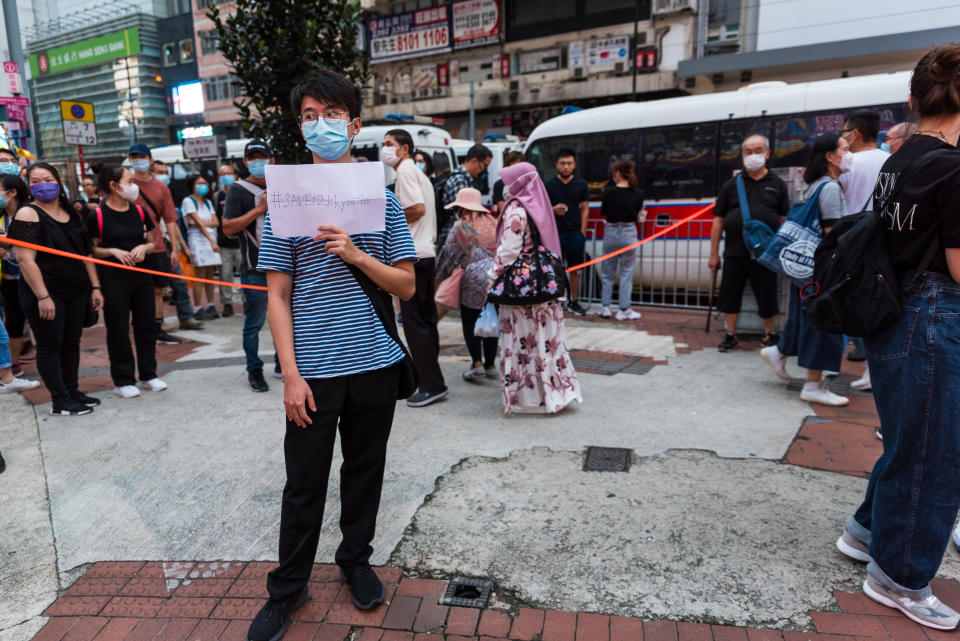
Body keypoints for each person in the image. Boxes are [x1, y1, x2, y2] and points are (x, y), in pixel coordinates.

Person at [247, 70, 417, 641]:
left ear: (355, 124)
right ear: (301, 129)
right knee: (304, 484)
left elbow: (407, 287)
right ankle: (287, 589)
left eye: (331, 114)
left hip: (374, 362)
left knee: (365, 471)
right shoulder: (284, 205)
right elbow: (277, 295)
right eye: (310, 117)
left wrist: (356, 255)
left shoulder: (384, 200)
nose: (321, 125)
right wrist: (290, 376)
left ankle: (354, 560)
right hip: (313, 374)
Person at [835, 45, 960, 631]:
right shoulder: (955, 167)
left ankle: (865, 532)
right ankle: (900, 577)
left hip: (893, 313)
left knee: (909, 438)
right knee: (935, 453)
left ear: (915, 100)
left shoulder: (899, 161)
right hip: (936, 315)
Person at [759, 133, 850, 407]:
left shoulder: (813, 185)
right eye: (845, 149)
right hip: (821, 269)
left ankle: (780, 351)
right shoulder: (830, 188)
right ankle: (813, 384)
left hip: (805, 267)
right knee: (825, 322)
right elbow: (832, 232)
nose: (849, 154)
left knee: (806, 318)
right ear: (830, 157)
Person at [6, 162, 104, 416]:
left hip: (76, 289)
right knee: (51, 345)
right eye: (34, 181)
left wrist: (95, 286)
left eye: (46, 179)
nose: (41, 185)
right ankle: (59, 400)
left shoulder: (69, 211)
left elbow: (86, 254)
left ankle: (72, 391)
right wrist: (43, 296)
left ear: (58, 182)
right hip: (46, 293)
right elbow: (26, 260)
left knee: (71, 342)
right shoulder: (28, 214)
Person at [489, 162, 582, 414]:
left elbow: (509, 251)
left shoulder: (516, 210)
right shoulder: (539, 205)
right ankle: (553, 392)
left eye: (509, 182)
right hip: (544, 288)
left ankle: (529, 396)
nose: (505, 187)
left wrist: (492, 275)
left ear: (518, 183)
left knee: (523, 342)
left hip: (521, 292)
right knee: (546, 340)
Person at [87, 164, 167, 398]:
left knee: (146, 326)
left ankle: (149, 374)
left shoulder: (139, 211)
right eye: (129, 181)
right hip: (114, 280)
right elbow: (91, 251)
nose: (133, 186)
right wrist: (113, 251)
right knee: (119, 329)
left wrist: (143, 247)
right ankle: (122, 379)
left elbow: (152, 242)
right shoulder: (97, 215)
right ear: (113, 185)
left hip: (141, 277)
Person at [382, 129, 446, 407]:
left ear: (404, 149)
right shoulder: (418, 173)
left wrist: (386, 217)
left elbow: (416, 209)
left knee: (414, 324)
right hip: (426, 253)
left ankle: (431, 384)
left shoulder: (406, 171)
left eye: (389, 144)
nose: (384, 149)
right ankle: (431, 378)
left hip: (414, 254)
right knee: (426, 321)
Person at [708, 135, 790, 350]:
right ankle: (731, 334)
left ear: (768, 153)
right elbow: (718, 221)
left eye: (758, 150)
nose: (753, 155)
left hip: (766, 253)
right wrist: (714, 254)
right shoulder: (731, 185)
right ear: (742, 155)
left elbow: (783, 219)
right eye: (748, 151)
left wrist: (781, 249)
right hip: (735, 252)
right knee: (730, 294)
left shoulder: (777, 184)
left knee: (767, 295)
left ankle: (769, 334)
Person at [128, 143, 202, 340]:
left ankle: (160, 325)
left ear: (149, 159)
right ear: (129, 160)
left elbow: (170, 219)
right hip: (130, 247)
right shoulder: (127, 185)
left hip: (158, 245)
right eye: (134, 157)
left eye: (142, 157)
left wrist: (175, 249)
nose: (138, 161)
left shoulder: (161, 187)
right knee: (137, 290)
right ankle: (145, 324)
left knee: (160, 288)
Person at [221, 140, 277, 392]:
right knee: (254, 323)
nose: (258, 162)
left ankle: (283, 365)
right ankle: (254, 370)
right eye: (252, 157)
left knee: (287, 320)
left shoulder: (284, 185)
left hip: (285, 268)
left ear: (272, 160)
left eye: (263, 157)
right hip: (254, 270)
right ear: (245, 162)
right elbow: (228, 227)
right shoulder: (238, 190)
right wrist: (259, 210)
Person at [839, 111, 890, 376]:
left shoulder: (846, 162)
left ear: (855, 133)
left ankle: (862, 361)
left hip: (850, 242)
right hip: (882, 242)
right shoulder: (891, 161)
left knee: (848, 302)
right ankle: (875, 364)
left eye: (846, 131)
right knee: (876, 302)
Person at [437, 187, 499, 381]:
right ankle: (490, 365)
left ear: (462, 208)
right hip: (495, 279)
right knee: (491, 320)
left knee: (470, 321)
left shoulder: (460, 227)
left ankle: (477, 363)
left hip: (472, 279)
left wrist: (440, 275)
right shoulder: (495, 224)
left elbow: (448, 255)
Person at [544, 149, 589, 316]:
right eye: (563, 163)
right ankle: (555, 299)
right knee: (553, 268)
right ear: (557, 165)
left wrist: (582, 231)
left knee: (575, 269)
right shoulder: (548, 185)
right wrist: (553, 209)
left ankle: (574, 301)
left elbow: (585, 208)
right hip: (554, 233)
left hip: (574, 233)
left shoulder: (581, 184)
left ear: (574, 165)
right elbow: (542, 208)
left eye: (569, 163)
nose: (566, 167)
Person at [598, 159, 644, 321]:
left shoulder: (608, 192)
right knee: (626, 274)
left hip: (611, 232)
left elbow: (604, 212)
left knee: (607, 273)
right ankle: (624, 309)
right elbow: (639, 216)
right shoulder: (638, 193)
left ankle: (605, 307)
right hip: (628, 233)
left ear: (617, 174)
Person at [181, 174, 222, 321]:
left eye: (204, 182)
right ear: (192, 185)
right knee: (199, 275)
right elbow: (195, 223)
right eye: (199, 183)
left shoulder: (208, 202)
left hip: (211, 241)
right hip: (198, 241)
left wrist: (201, 225)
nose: (203, 185)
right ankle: (198, 307)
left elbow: (216, 222)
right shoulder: (188, 201)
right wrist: (211, 240)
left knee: (210, 275)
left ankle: (210, 305)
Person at [1, 175, 29, 377]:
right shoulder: (1, 217)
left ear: (12, 193)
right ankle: (14, 363)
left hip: (33, 276)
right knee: (14, 321)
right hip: (9, 278)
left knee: (42, 320)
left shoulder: (30, 213)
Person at [440, 143, 492, 251]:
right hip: (455, 240)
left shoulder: (466, 179)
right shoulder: (460, 180)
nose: (484, 170)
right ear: (474, 161)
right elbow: (462, 215)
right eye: (484, 166)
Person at [216, 164, 240, 318]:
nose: (225, 176)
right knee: (225, 275)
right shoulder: (217, 196)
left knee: (246, 273)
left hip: (241, 242)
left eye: (229, 173)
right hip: (224, 244)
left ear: (235, 176)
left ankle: (247, 301)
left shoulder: (241, 193)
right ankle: (227, 303)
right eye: (222, 174)